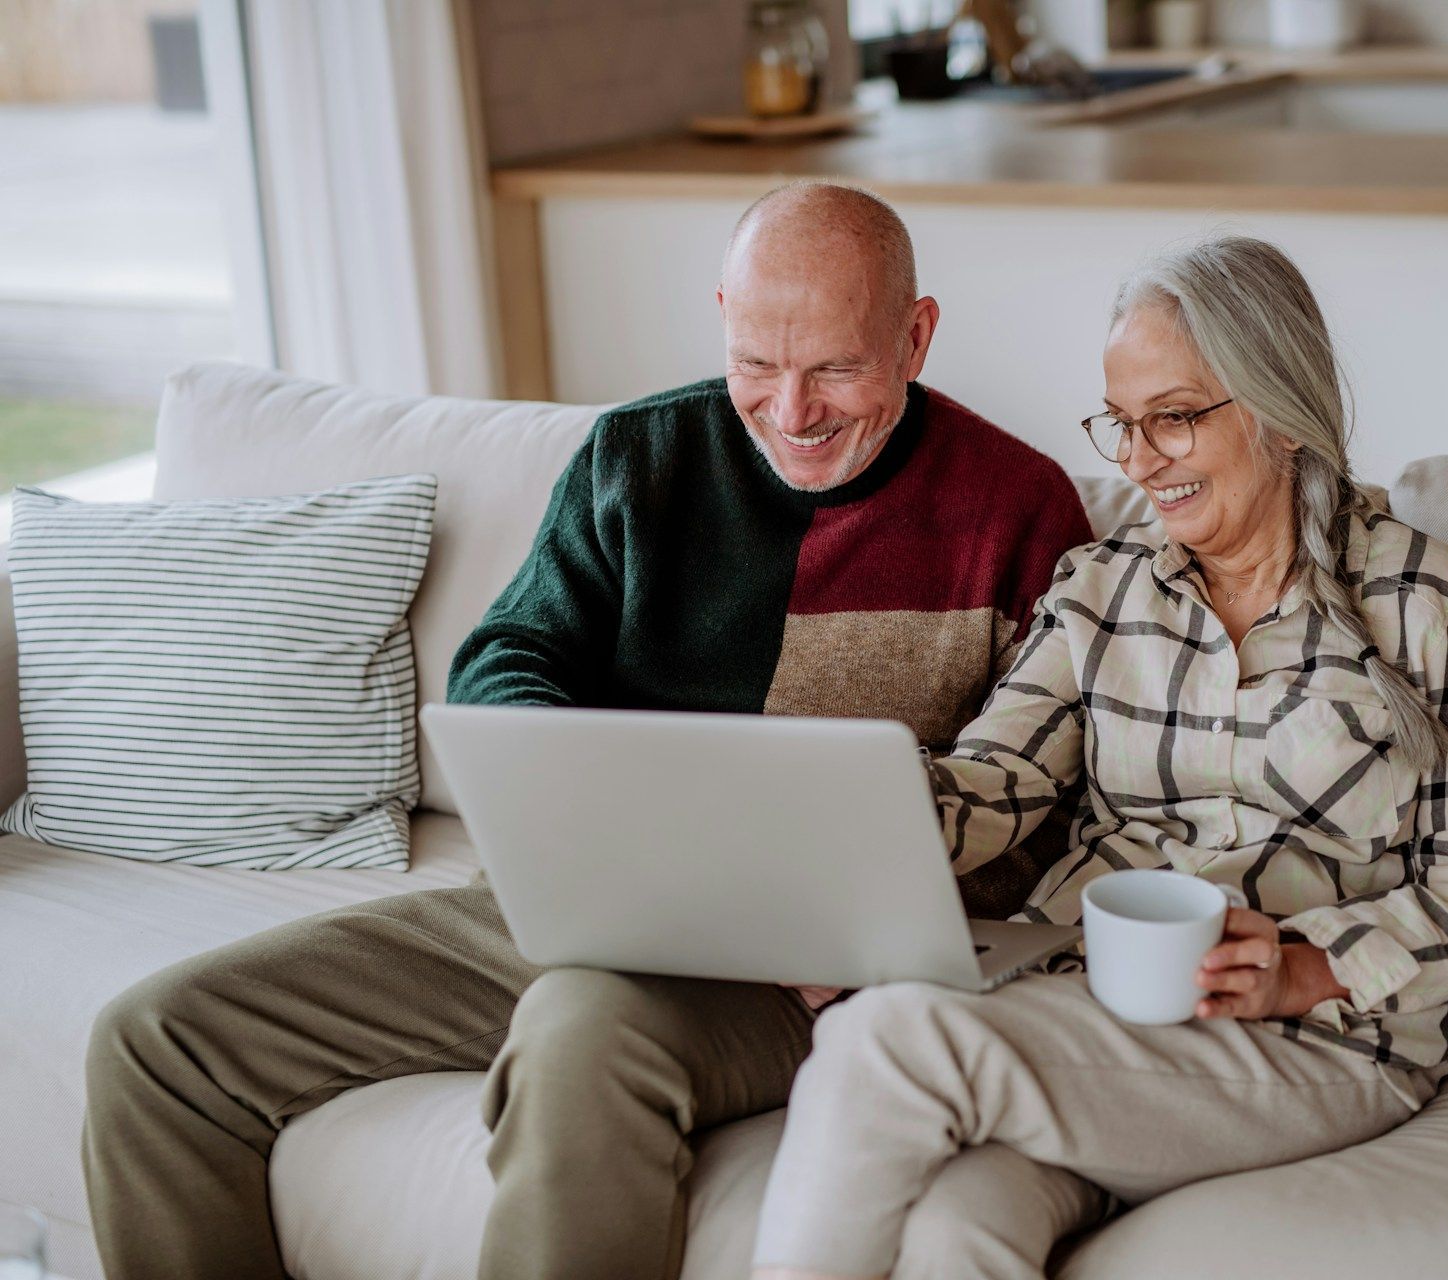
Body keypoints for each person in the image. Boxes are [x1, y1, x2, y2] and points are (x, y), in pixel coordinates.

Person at [81, 181, 1093, 1280]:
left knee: (582, 1030)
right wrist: (577, 811)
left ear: (915, 335)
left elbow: (1037, 807)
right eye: (757, 361)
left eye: (836, 368)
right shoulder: (638, 458)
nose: (792, 410)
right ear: (720, 315)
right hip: (580, 903)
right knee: (157, 1039)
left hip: (809, 975)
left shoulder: (1022, 511)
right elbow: (505, 658)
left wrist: (846, 921)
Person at [749, 235, 1448, 1280]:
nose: (1136, 462)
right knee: (957, 1226)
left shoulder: (1441, 608)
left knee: (885, 1041)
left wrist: (1303, 968)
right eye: (1121, 424)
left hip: (1323, 1040)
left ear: (1276, 405)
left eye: (1171, 417)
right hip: (1103, 1011)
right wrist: (841, 816)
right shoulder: (1102, 587)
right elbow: (990, 785)